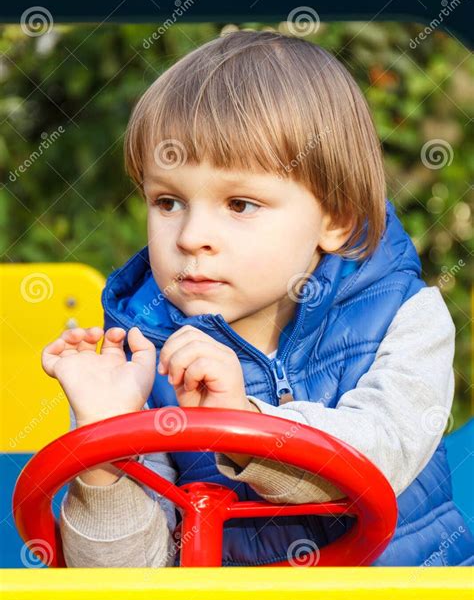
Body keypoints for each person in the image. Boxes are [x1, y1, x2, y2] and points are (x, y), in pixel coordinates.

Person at [41, 30, 474, 568]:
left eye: (240, 204)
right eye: (169, 200)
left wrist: (246, 425)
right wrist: (104, 455)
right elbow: (125, 588)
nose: (191, 235)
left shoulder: (404, 317)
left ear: (335, 219)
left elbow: (386, 452)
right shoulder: (143, 358)